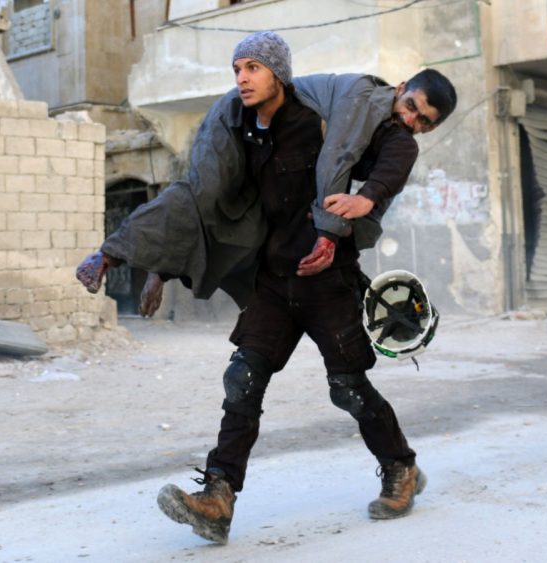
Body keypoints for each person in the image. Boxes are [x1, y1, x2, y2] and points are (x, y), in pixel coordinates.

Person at [76, 32, 456, 544]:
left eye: (254, 68)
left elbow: (395, 153)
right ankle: (217, 497)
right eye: (239, 68)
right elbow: (201, 201)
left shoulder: (333, 120)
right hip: (273, 281)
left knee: (347, 387)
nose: (243, 79)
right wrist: (142, 259)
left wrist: (362, 203)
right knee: (243, 381)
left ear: (278, 72)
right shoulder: (236, 129)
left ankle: (401, 467)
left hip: (329, 279)